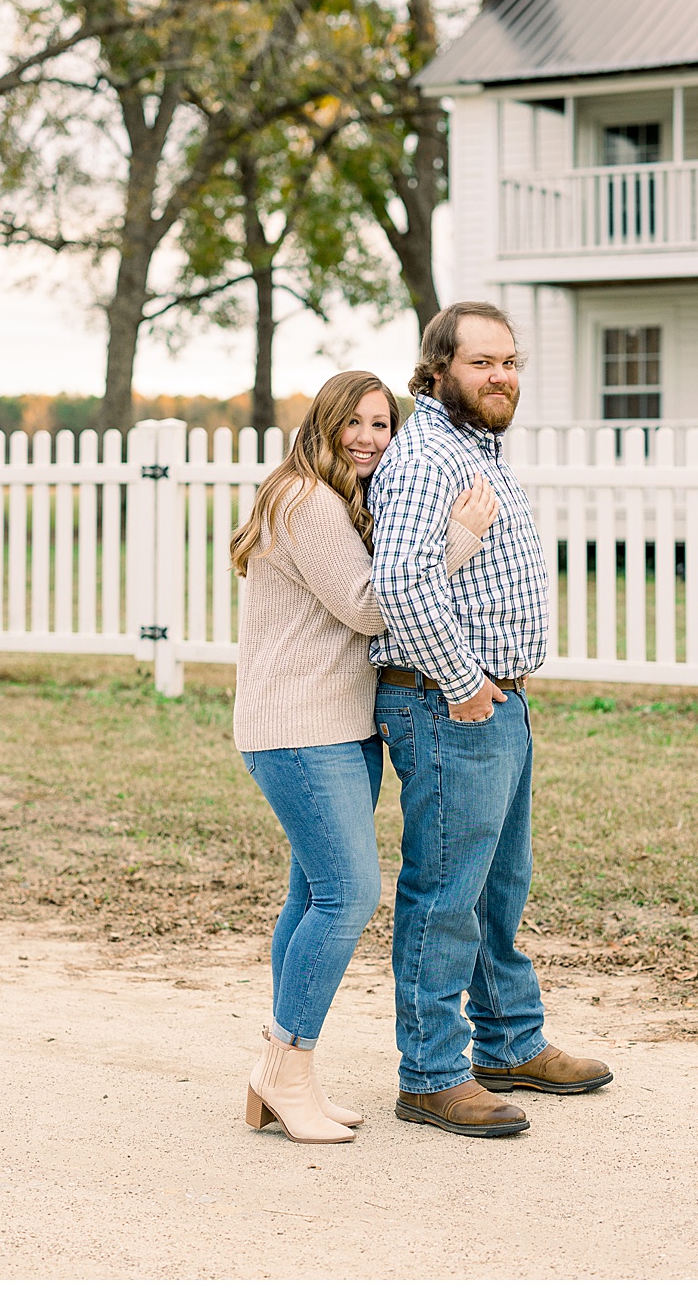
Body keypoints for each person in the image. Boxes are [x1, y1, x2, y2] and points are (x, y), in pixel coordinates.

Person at [230, 370, 499, 1144]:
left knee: (312, 896)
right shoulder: (304, 499)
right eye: (354, 422)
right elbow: (368, 605)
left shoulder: (336, 498)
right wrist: (458, 539)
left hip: (337, 725)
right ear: (323, 423)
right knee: (349, 895)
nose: (368, 438)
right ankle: (286, 1073)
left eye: (382, 425)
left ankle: (280, 1072)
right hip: (299, 728)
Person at [368, 301, 612, 1139]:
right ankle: (432, 1075)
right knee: (446, 893)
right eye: (482, 363)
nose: (501, 376)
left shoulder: (480, 449)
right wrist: (465, 678)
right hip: (448, 702)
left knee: (500, 886)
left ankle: (509, 1043)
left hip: (498, 699)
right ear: (438, 369)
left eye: (509, 362)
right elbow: (401, 582)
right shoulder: (426, 456)